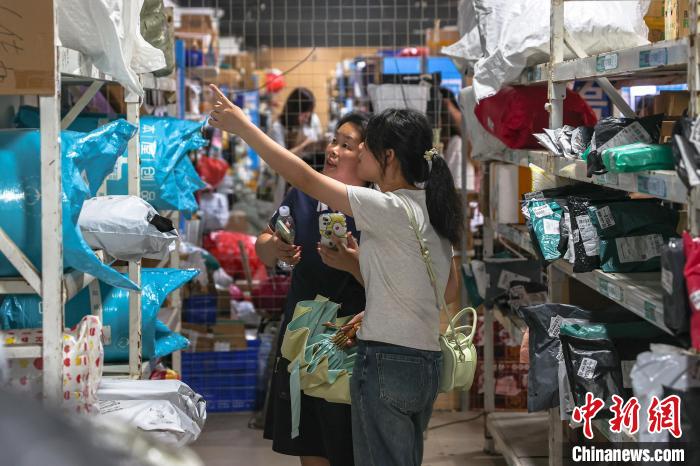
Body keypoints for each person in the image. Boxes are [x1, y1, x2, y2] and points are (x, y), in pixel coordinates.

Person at [209, 84, 462, 466]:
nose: (353, 153)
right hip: (425, 362)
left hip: (384, 361)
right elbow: (449, 289)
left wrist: (244, 127)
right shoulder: (432, 207)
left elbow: (303, 177)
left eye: (363, 147)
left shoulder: (385, 207)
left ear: (387, 157)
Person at [257, 112, 370, 466]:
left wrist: (353, 264)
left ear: (368, 158)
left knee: (350, 443)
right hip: (303, 337)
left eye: (346, 145)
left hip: (352, 341)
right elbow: (263, 244)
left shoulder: (376, 207)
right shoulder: (303, 197)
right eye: (334, 141)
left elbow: (390, 284)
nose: (333, 150)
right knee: (311, 442)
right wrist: (274, 248)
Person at [268, 87, 323, 204]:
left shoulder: (312, 120)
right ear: (294, 110)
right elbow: (281, 158)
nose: (306, 118)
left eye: (309, 113)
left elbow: (319, 139)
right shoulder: (278, 128)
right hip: (287, 183)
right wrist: (304, 144)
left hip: (312, 179)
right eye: (304, 114)